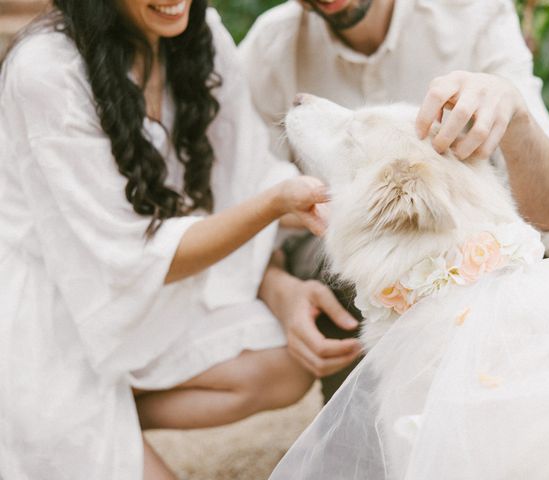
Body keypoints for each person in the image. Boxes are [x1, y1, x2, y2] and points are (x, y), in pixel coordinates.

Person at [0, 1, 327, 479]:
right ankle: (51, 422)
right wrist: (280, 202)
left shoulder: (201, 32)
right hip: (51, 316)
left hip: (139, 296)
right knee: (67, 444)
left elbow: (247, 175)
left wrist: (343, 201)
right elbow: (127, 258)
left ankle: (106, 420)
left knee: (288, 362)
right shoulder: (45, 70)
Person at [240, 0, 549, 402]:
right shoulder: (270, 46)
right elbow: (239, 202)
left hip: (482, 285)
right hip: (337, 282)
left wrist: (517, 118)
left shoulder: (474, 14)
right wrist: (279, 289)